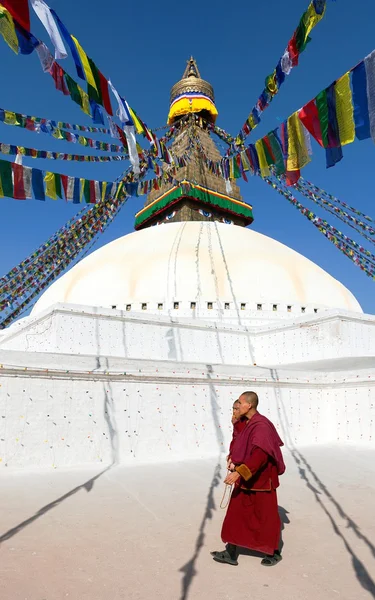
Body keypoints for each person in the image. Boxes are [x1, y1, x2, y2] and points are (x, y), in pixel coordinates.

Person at [212, 391, 285, 567]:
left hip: (261, 481)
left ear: (249, 405)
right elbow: (241, 442)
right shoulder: (248, 423)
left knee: (266, 518)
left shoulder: (261, 426)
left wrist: (239, 472)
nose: (237, 405)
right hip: (247, 478)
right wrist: (235, 423)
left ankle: (273, 552)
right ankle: (231, 552)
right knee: (235, 515)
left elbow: (259, 456)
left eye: (240, 403)